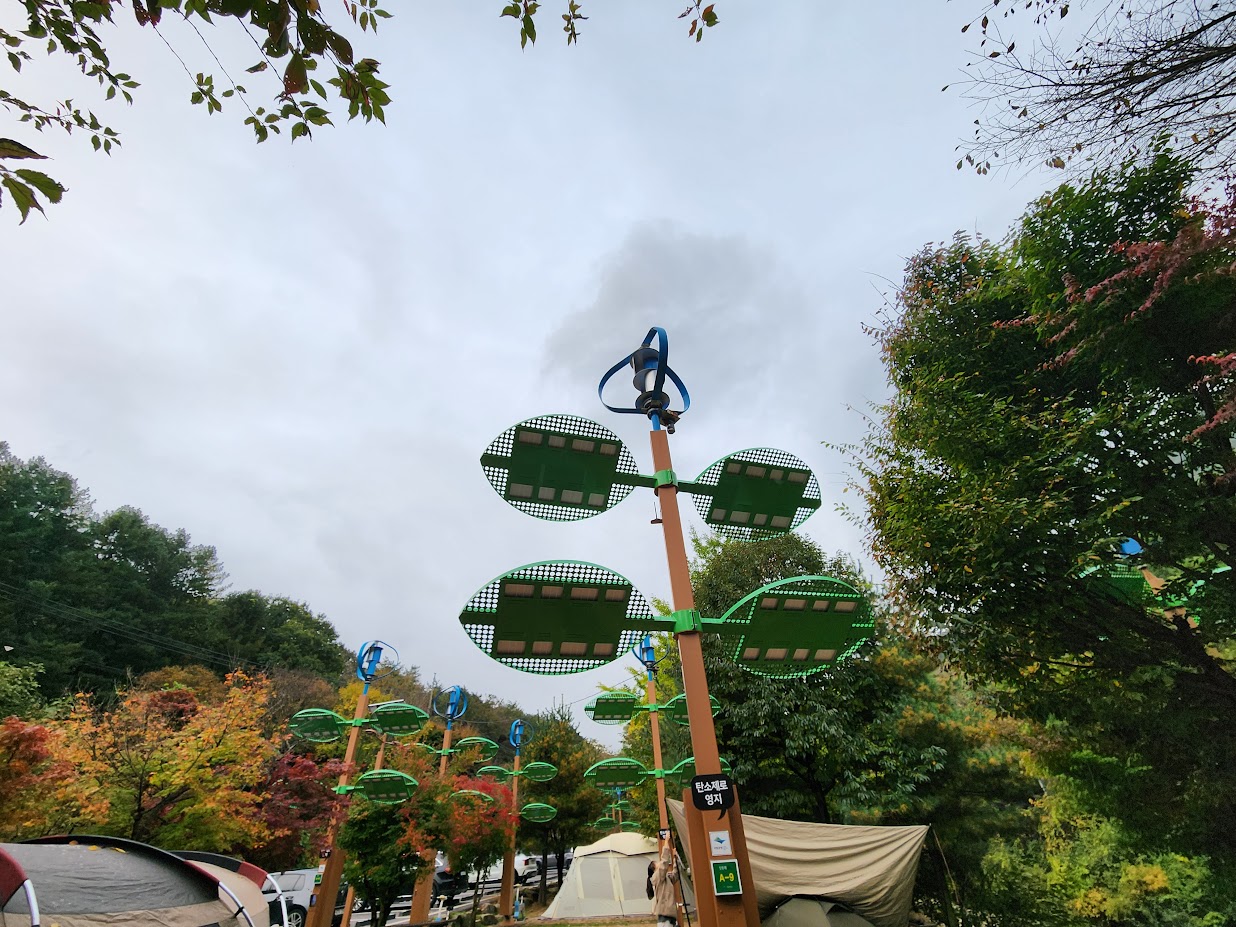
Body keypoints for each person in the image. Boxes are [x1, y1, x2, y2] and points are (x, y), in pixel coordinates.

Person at [646, 845, 679, 927]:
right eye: (657, 863)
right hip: (665, 919)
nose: (660, 863)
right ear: (655, 869)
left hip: (670, 917)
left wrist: (675, 859)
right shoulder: (657, 877)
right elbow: (664, 862)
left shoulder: (665, 878)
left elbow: (675, 875)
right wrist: (666, 842)